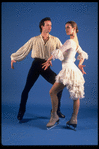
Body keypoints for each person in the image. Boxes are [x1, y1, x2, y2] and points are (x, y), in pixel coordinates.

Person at [10, 17, 65, 121]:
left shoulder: (55, 39)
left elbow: (62, 51)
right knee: (26, 89)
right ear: (42, 26)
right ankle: (21, 111)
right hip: (36, 65)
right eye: (48, 25)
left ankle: (56, 110)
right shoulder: (34, 39)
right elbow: (24, 49)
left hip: (45, 65)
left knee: (60, 84)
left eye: (51, 25)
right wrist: (14, 57)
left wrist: (51, 60)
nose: (50, 27)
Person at [42, 21, 88, 129]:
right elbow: (82, 54)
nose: (66, 29)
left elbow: (59, 51)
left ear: (74, 28)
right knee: (76, 97)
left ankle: (54, 117)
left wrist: (48, 60)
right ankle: (73, 119)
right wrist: (80, 65)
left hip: (68, 70)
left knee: (53, 92)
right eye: (65, 27)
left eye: (68, 27)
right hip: (74, 71)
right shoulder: (76, 42)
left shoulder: (70, 41)